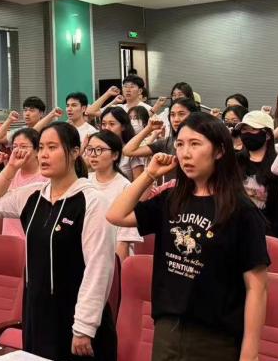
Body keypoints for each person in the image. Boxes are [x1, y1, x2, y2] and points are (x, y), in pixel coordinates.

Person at [106, 113, 269, 361]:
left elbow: (257, 288)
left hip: (216, 343)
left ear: (219, 150)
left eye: (195, 144)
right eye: (180, 144)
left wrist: (250, 358)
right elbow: (116, 214)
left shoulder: (241, 211)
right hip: (168, 336)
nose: (185, 153)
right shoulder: (172, 199)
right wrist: (149, 174)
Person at [0, 123, 117, 361]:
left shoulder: (92, 201)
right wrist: (11, 168)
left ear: (74, 152)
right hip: (37, 313)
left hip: (76, 319)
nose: (43, 154)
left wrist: (84, 327)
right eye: (41, 148)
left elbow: (99, 268)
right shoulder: (32, 196)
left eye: (52, 147)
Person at [235, 110, 278, 248]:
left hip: (272, 238)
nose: (247, 134)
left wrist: (267, 235)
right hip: (237, 234)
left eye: (253, 130)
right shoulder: (234, 162)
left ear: (268, 134)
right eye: (244, 130)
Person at [83, 131, 143, 260]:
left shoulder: (126, 188)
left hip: (111, 256)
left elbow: (124, 240)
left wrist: (118, 270)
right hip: (86, 253)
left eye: (99, 150)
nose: (93, 154)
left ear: (115, 155)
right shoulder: (84, 182)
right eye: (90, 149)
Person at [0, 127, 46, 237]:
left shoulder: (46, 178)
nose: (18, 151)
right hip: (9, 239)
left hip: (31, 240)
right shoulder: (10, 173)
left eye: (23, 146)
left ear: (37, 151)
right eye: (14, 147)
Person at [124, 98, 200, 159]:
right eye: (172, 115)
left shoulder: (202, 141)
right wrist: (148, 128)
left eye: (181, 114)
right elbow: (128, 151)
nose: (176, 119)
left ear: (193, 115)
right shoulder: (166, 143)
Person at [100, 106, 144, 179]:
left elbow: (140, 183)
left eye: (112, 124)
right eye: (104, 124)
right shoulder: (97, 150)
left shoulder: (132, 153)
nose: (107, 128)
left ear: (123, 126)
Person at [86, 74, 152, 117]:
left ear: (140, 91)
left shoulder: (147, 109)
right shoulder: (119, 108)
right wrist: (108, 94)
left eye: (132, 87)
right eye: (125, 86)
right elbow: (90, 111)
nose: (128, 90)